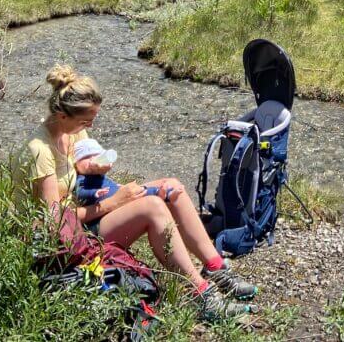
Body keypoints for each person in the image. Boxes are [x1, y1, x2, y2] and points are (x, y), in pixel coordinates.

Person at [16, 65, 258, 320]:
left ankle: (216, 268)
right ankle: (202, 296)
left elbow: (82, 169)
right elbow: (55, 223)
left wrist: (96, 167)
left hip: (88, 215)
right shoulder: (39, 151)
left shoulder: (71, 131)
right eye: (86, 121)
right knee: (152, 208)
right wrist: (115, 202)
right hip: (65, 242)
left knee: (170, 187)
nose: (90, 125)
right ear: (63, 116)